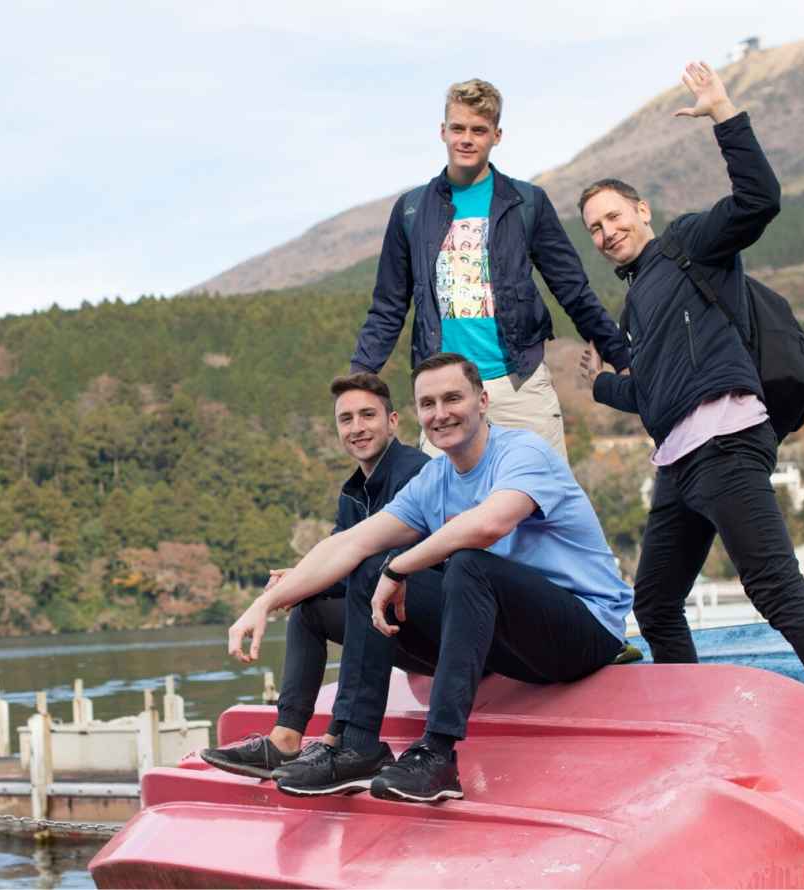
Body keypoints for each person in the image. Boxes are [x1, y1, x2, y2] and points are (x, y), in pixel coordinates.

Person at [576, 61, 804, 720]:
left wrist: (722, 112)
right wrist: (603, 387)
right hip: (678, 465)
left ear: (641, 211)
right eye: (594, 228)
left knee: (775, 589)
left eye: (612, 217)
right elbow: (653, 397)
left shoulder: (688, 245)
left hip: (727, 441)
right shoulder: (635, 306)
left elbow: (759, 199)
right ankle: (693, 732)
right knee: (654, 604)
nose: (605, 233)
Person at [227, 353, 632, 802]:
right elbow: (350, 542)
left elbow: (488, 525)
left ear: (482, 401)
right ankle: (357, 748)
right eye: (429, 403)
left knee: (465, 561)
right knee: (366, 564)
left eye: (452, 398)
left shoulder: (523, 452)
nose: (441, 413)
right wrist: (263, 603)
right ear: (418, 415)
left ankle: (438, 755)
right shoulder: (434, 479)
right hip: (511, 644)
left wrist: (400, 567)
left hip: (584, 633)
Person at [349, 78, 631, 460]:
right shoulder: (412, 211)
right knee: (449, 516)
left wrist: (624, 357)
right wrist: (360, 378)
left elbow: (573, 290)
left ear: (496, 135)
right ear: (442, 132)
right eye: (458, 128)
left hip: (519, 384)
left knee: (544, 510)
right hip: (443, 393)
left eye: (478, 130)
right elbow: (388, 306)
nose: (467, 139)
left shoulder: (526, 203)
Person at [200, 373, 442, 778]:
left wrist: (296, 586)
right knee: (310, 607)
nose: (357, 427)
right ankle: (285, 738)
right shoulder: (353, 492)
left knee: (365, 575)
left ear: (394, 420)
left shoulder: (415, 472)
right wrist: (295, 582)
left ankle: (349, 742)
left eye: (368, 415)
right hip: (391, 625)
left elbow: (389, 563)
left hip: (437, 623)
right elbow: (337, 562)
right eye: (346, 419)